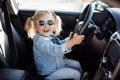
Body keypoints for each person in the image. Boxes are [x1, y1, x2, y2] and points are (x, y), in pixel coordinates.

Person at [25, 10, 85, 80]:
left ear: (53, 23)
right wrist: (72, 42)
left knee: (77, 64)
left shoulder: (49, 36)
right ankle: (80, 77)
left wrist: (69, 39)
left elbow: (58, 44)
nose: (46, 26)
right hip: (49, 72)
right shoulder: (40, 40)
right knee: (75, 74)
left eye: (50, 22)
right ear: (35, 26)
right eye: (41, 23)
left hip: (57, 63)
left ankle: (83, 77)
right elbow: (54, 50)